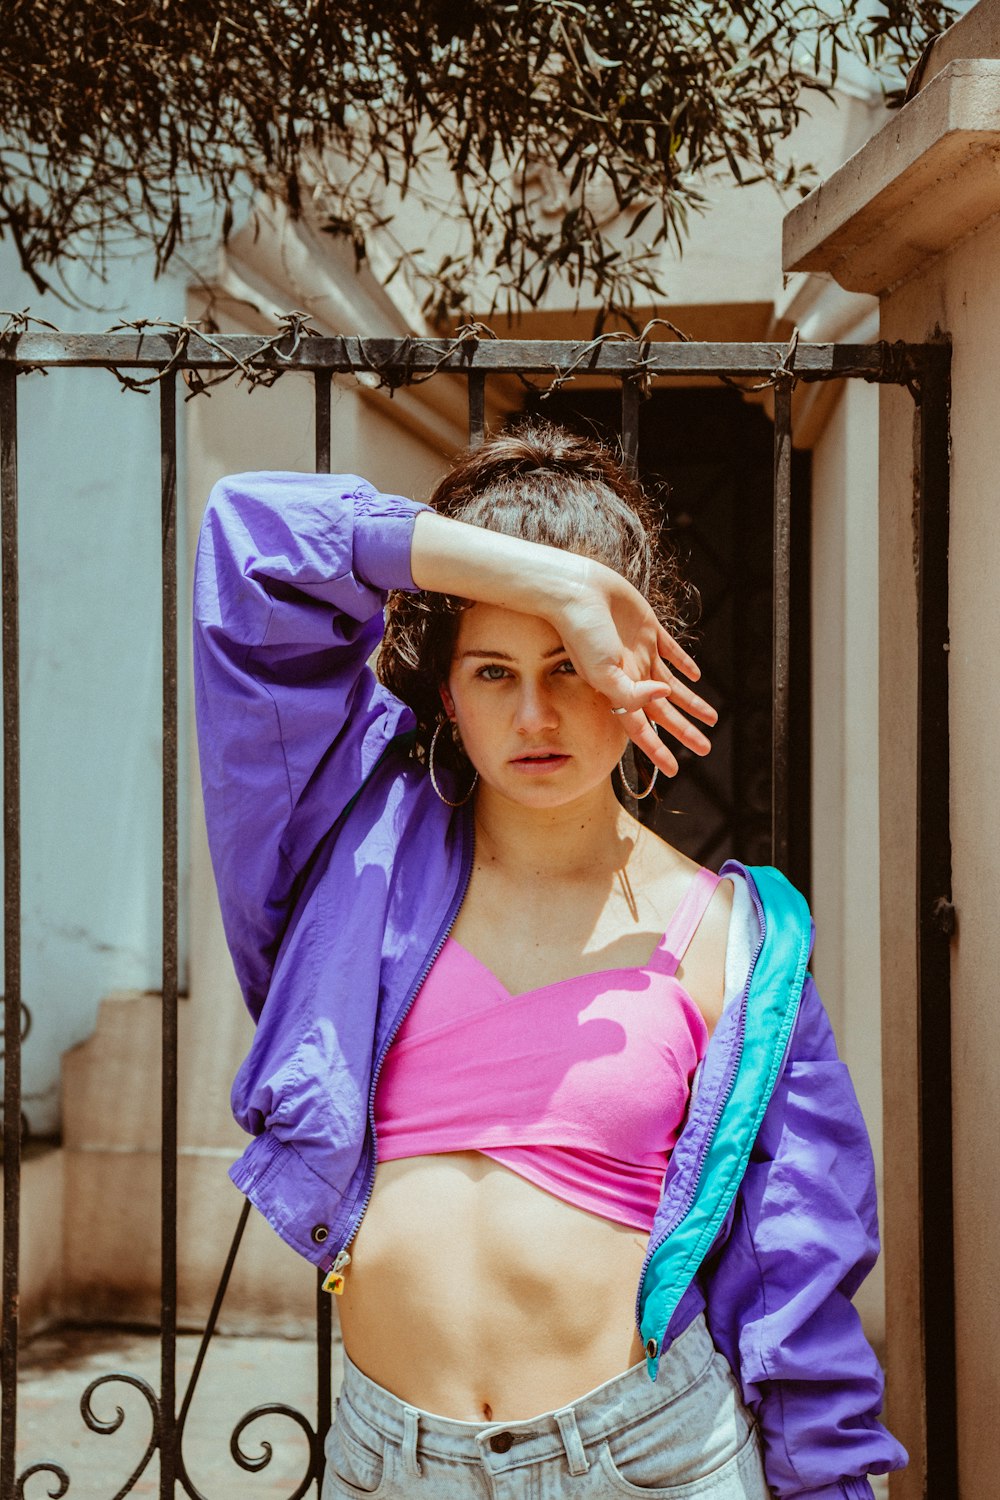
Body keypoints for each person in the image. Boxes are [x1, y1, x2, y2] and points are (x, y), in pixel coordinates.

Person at [193, 423, 906, 1500]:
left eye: (573, 666)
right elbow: (250, 537)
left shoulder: (736, 938)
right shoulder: (350, 846)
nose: (535, 714)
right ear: (445, 692)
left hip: (653, 1459)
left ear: (639, 666)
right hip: (390, 1468)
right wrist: (548, 581)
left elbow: (799, 1274)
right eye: (494, 669)